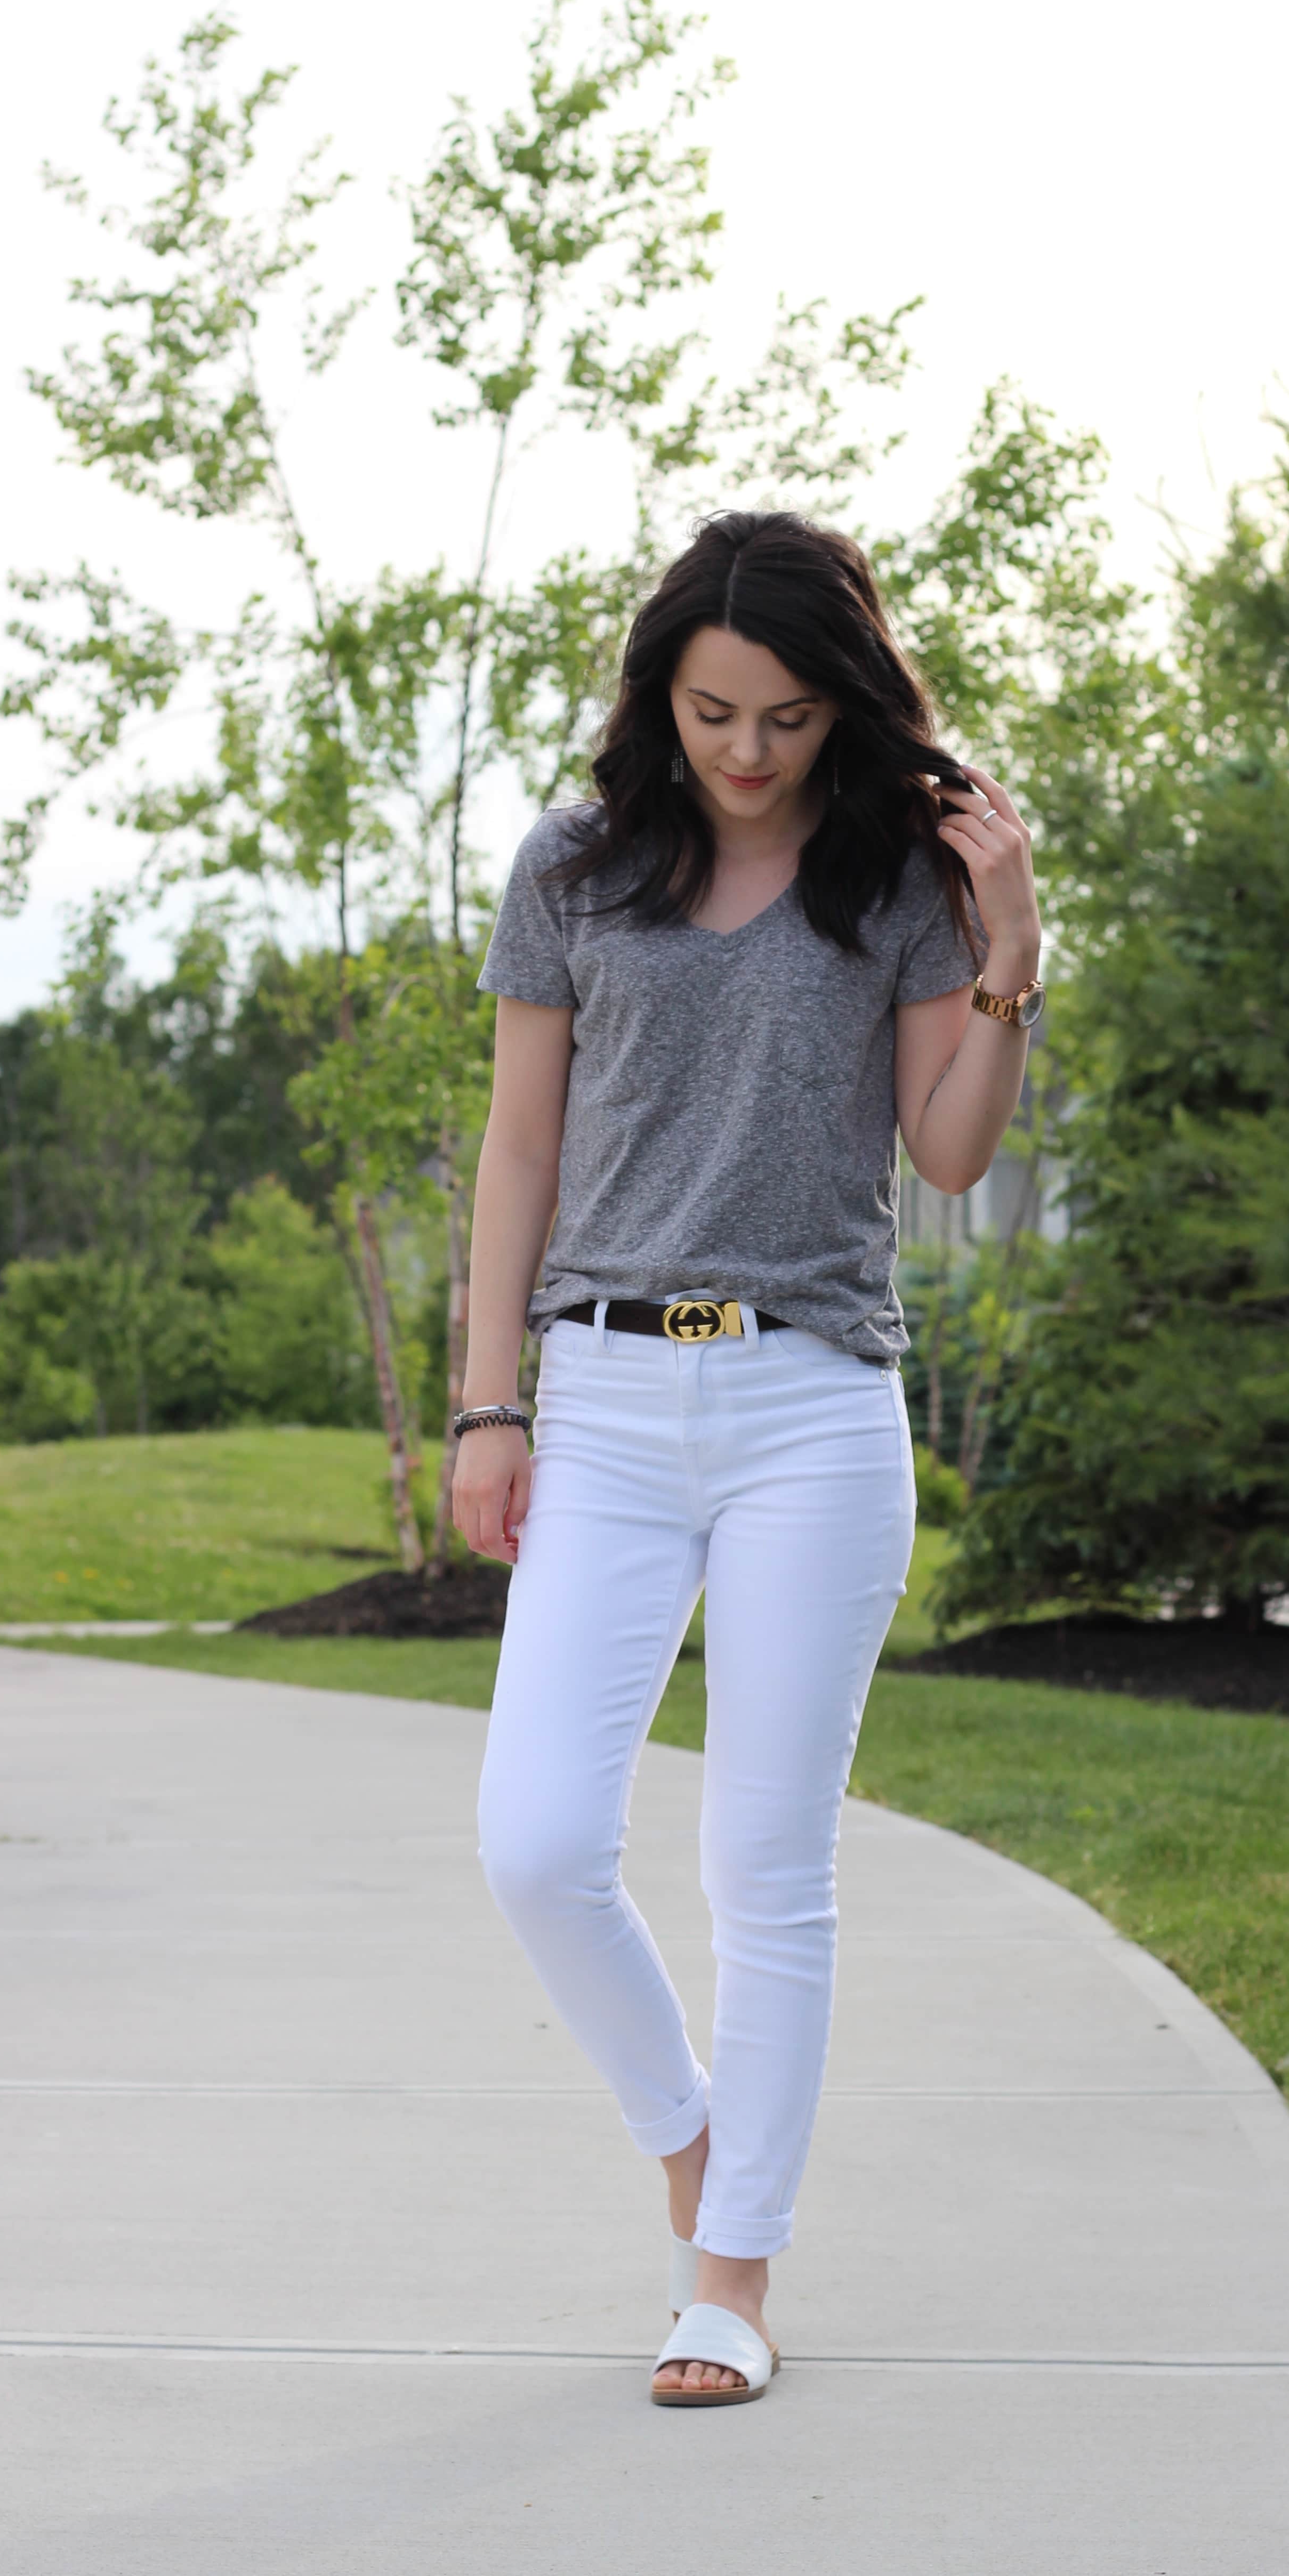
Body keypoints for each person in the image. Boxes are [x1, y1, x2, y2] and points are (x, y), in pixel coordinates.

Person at [452, 509, 1044, 2407]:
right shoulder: (576, 868)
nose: (749, 751)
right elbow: (519, 1157)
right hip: (607, 1398)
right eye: (714, 710)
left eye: (788, 715)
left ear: (840, 704)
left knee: (764, 1862)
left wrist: (1014, 949)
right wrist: (490, 1402)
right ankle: (700, 2144)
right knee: (538, 1841)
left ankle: (735, 2273)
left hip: (808, 1399)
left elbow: (948, 1158)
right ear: (660, 696)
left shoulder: (895, 882)